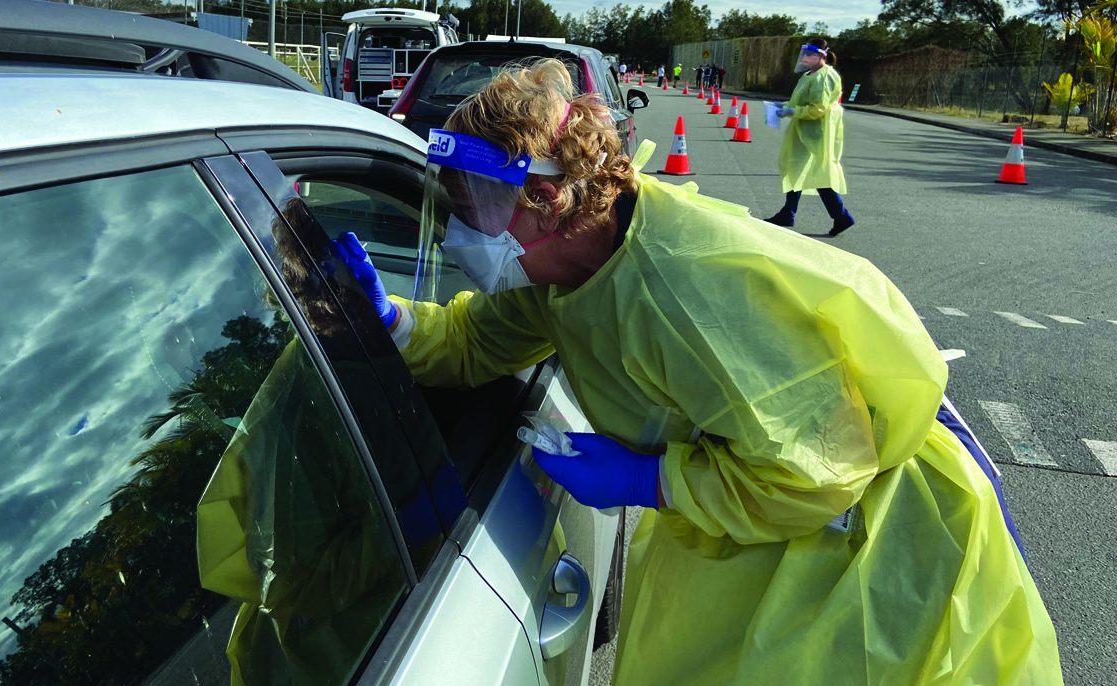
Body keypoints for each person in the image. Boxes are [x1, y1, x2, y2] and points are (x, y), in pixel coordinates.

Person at [335, 58, 1063, 685]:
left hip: (861, 559)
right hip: (757, 538)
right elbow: (475, 339)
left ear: (549, 200)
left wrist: (650, 480)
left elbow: (821, 469)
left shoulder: (688, 291)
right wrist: (394, 319)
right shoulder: (568, 274)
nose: (461, 227)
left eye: (477, 205)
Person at [765, 39, 856, 236]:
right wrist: (785, 106)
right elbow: (800, 100)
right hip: (804, 129)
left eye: (809, 54)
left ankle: (841, 216)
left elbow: (818, 109)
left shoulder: (824, 76)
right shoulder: (809, 75)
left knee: (820, 175)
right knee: (795, 167)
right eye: (804, 54)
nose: (805, 57)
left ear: (821, 55)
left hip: (817, 131)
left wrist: (791, 111)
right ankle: (788, 212)